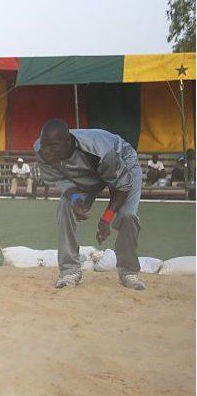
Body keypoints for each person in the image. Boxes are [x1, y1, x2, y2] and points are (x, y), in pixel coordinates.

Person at [35, 119, 145, 290]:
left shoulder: (103, 152)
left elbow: (122, 186)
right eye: (44, 145)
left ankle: (128, 271)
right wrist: (76, 200)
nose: (47, 151)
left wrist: (106, 218)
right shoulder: (41, 150)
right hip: (84, 173)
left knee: (127, 215)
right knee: (66, 205)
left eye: (53, 146)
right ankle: (69, 270)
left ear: (68, 141)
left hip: (121, 162)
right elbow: (61, 180)